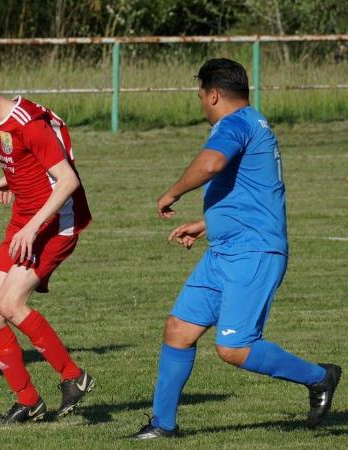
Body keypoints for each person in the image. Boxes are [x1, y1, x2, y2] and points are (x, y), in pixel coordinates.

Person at [129, 58, 341, 439]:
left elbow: (211, 164)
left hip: (253, 253)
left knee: (234, 348)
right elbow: (253, 193)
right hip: (224, 249)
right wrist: (207, 223)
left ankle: (320, 376)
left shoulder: (235, 124)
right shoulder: (253, 123)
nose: (201, 105)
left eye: (200, 97)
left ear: (213, 94)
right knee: (178, 329)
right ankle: (163, 425)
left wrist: (172, 193)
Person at [0, 58, 95, 424]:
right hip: (24, 220)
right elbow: (31, 165)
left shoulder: (27, 124)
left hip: (55, 224)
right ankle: (29, 400)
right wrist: (11, 180)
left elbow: (67, 180)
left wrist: (32, 228)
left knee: (11, 304)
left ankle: (74, 376)